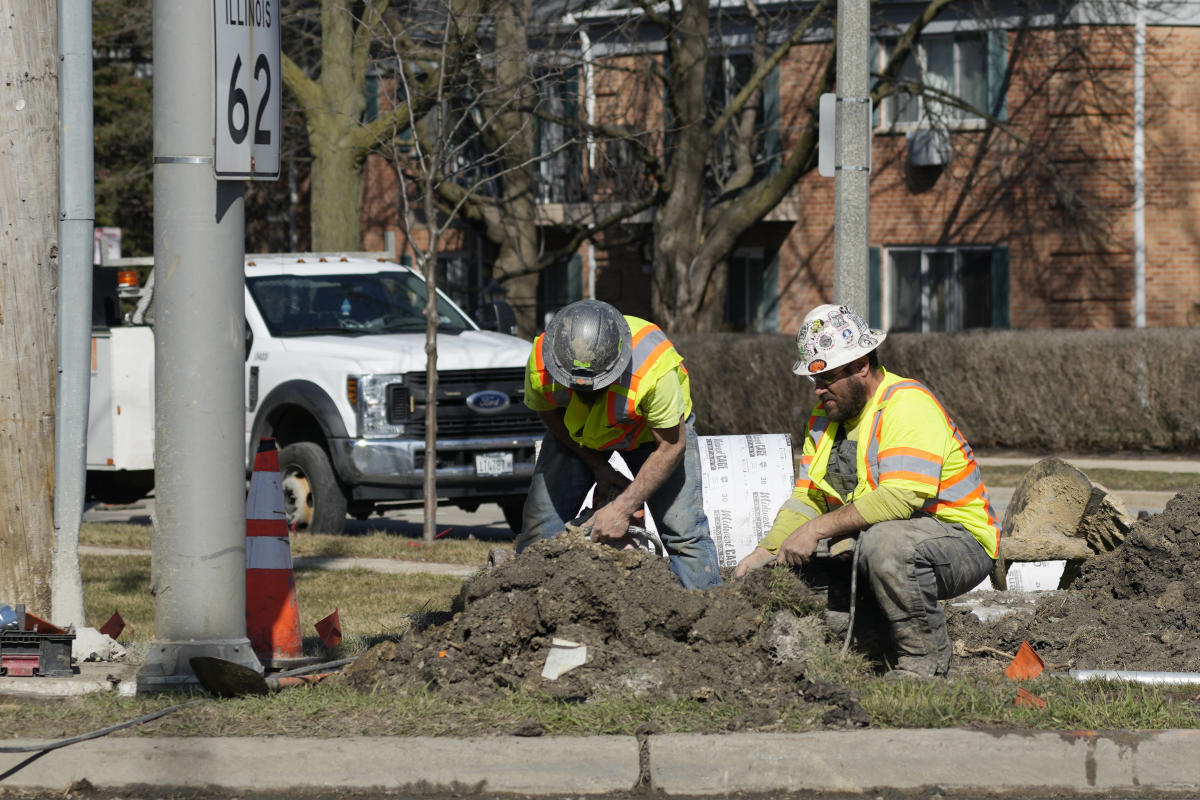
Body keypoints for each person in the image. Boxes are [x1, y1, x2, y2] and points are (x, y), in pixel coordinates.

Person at [734, 304, 999, 678]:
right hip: (879, 542)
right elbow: (808, 497)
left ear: (860, 365)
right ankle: (876, 640)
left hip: (958, 542)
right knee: (788, 578)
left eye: (827, 378)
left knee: (886, 545)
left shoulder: (906, 403)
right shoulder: (826, 420)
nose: (818, 390)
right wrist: (767, 551)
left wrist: (816, 530)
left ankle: (924, 664)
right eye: (815, 380)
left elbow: (900, 497)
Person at [517, 299, 722, 590]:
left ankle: (709, 619)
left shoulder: (653, 369)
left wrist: (623, 508)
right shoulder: (541, 361)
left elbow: (671, 447)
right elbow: (549, 413)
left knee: (684, 533)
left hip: (652, 437)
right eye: (574, 384)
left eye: (598, 384)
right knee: (540, 528)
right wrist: (598, 466)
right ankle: (526, 610)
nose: (587, 391)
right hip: (579, 434)